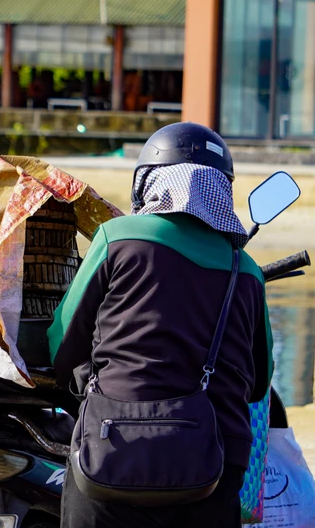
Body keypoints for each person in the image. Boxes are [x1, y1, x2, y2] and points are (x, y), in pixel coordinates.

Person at [48, 122, 273, 528]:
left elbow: (63, 344)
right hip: (214, 464)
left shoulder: (118, 238)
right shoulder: (248, 271)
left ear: (149, 182)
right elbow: (258, 383)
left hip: (110, 452)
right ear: (222, 191)